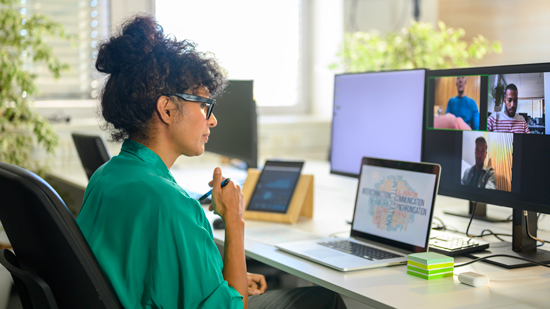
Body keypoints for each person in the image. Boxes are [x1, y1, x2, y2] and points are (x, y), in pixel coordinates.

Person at [76, 15, 346, 309]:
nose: (213, 120)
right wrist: (234, 219)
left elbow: (141, 272)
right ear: (167, 109)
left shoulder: (105, 176)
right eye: (205, 106)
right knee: (324, 299)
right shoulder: (173, 204)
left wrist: (223, 276)